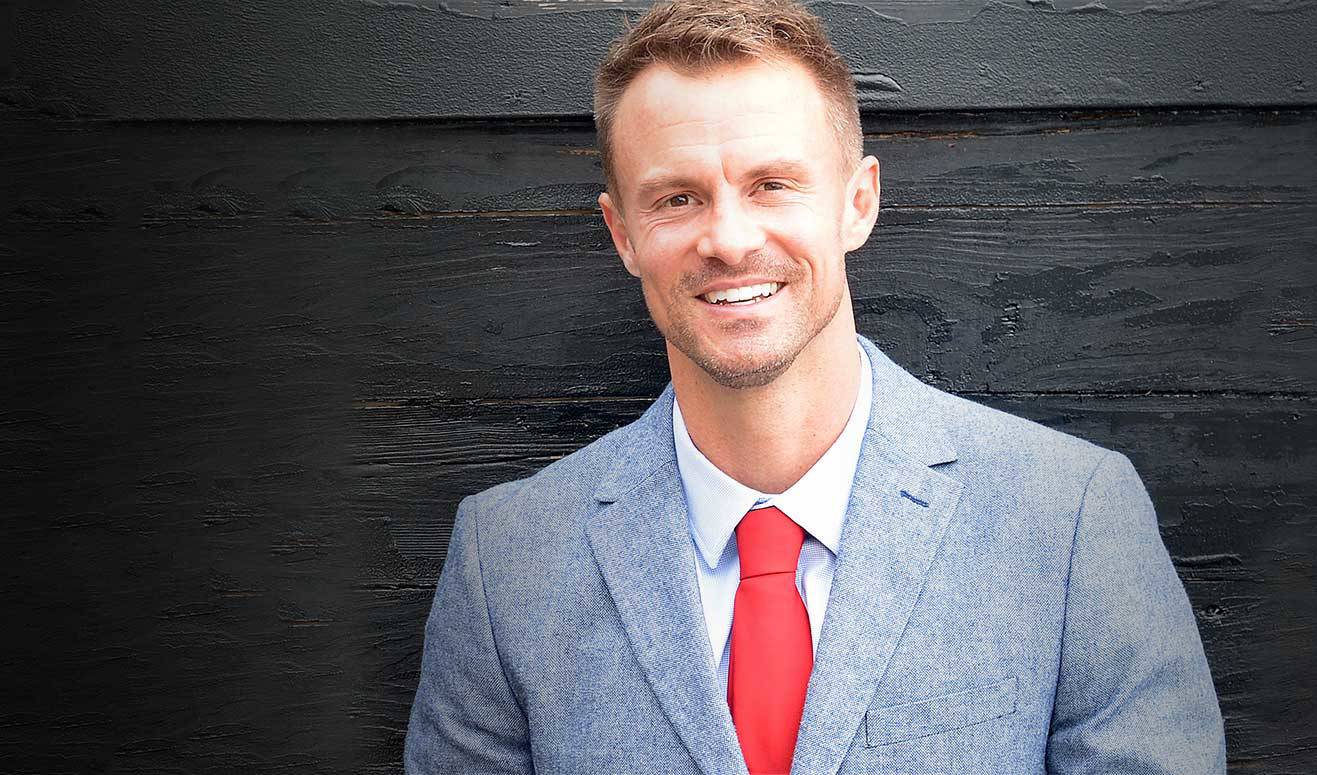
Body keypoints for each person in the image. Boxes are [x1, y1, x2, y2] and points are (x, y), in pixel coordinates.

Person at [402, 1, 1227, 773]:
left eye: (772, 184)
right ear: (623, 234)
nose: (729, 240)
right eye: (678, 197)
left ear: (857, 202)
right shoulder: (505, 565)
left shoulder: (1070, 518)